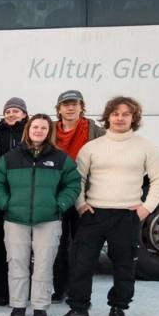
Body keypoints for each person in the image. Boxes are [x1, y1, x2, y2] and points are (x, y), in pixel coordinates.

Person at [56, 96, 159, 316]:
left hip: (127, 216)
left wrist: (146, 208)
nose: (120, 118)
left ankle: (118, 309)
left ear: (134, 118)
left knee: (125, 266)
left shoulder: (146, 147)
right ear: (108, 117)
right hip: (94, 214)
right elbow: (78, 179)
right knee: (82, 263)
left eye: (126, 114)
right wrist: (81, 205)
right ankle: (78, 308)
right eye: (115, 114)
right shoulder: (92, 147)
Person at [0, 114, 80, 316]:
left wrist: (60, 204)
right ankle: (18, 305)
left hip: (48, 219)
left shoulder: (59, 158)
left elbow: (73, 183)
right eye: (35, 127)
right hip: (15, 219)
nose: (38, 131)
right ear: (28, 130)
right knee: (16, 263)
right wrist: (6, 204)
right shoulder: (11, 158)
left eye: (43, 128)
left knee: (43, 264)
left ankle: (40, 306)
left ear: (49, 132)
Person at [51, 89, 106, 302]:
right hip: (58, 194)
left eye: (75, 104)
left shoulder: (96, 132)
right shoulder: (51, 131)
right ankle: (59, 288)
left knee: (83, 247)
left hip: (87, 195)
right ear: (59, 109)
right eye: (66, 104)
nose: (71, 108)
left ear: (82, 107)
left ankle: (80, 293)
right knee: (58, 243)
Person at [0, 97, 29, 306]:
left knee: (23, 249)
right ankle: (0, 292)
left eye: (16, 111)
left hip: (25, 201)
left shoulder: (31, 136)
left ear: (24, 114)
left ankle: (22, 291)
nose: (11, 114)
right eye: (8, 111)